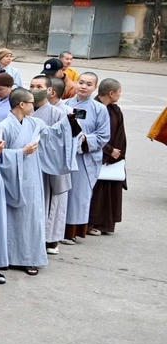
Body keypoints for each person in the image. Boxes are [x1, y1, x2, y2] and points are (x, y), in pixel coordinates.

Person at [0, 88, 47, 273]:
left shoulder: (33, 123)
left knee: (32, 219)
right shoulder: (4, 126)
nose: (34, 105)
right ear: (22, 104)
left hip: (31, 178)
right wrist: (21, 152)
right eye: (32, 102)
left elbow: (52, 134)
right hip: (12, 180)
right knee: (13, 220)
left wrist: (70, 122)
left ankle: (30, 257)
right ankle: (9, 256)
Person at [31, 75, 77, 254]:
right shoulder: (26, 110)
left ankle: (51, 240)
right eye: (32, 86)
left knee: (53, 204)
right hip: (32, 164)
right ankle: (34, 240)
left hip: (53, 165)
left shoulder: (60, 113)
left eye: (39, 86)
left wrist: (47, 143)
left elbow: (72, 138)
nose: (34, 89)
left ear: (50, 90)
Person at [63, 72, 109, 243]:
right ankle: (57, 230)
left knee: (78, 195)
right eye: (81, 82)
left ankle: (72, 231)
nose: (83, 86)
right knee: (62, 193)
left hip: (84, 159)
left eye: (89, 84)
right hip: (65, 157)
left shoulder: (100, 109)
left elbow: (103, 136)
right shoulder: (65, 104)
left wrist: (83, 139)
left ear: (95, 88)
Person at [87, 78, 125, 236]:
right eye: (119, 92)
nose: (120, 95)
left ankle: (104, 223)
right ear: (111, 93)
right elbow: (90, 133)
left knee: (109, 190)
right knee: (95, 191)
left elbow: (120, 134)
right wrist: (109, 150)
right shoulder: (93, 108)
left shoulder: (115, 110)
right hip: (96, 155)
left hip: (112, 158)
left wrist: (118, 153)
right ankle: (90, 223)